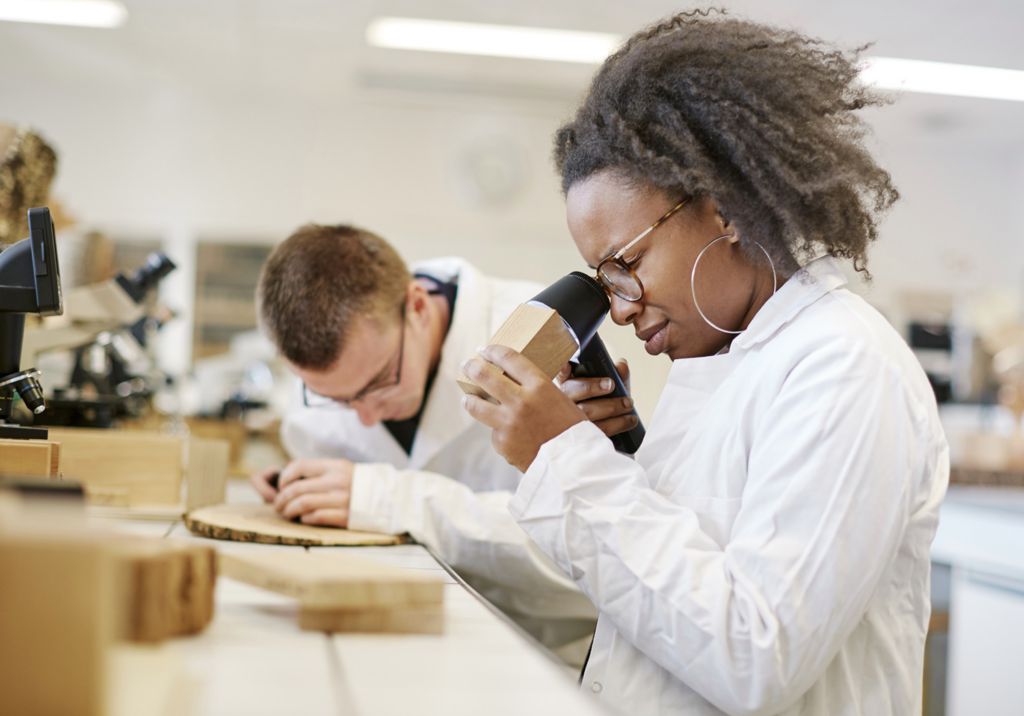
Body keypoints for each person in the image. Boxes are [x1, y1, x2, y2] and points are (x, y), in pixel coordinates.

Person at [460, 11, 948, 716]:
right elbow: (684, 585)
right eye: (603, 279)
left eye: (626, 265)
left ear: (725, 209)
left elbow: (754, 655)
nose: (620, 308)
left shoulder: (845, 368)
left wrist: (564, 460)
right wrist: (619, 459)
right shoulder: (720, 358)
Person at [251, 223, 614, 655]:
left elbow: (586, 559)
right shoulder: (321, 388)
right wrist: (304, 494)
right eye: (337, 399)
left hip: (544, 654)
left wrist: (390, 499)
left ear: (417, 306)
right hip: (388, 641)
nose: (364, 418)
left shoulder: (543, 336)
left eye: (380, 382)